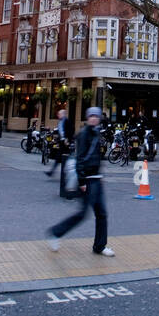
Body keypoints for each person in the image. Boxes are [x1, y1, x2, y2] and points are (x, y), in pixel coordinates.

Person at [48, 106, 113, 256]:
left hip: (96, 179)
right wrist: (82, 181)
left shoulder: (96, 133)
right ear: (87, 117)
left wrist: (100, 176)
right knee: (83, 214)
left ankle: (100, 246)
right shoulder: (84, 134)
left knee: (102, 213)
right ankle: (56, 233)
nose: (94, 118)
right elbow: (80, 159)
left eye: (96, 116)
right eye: (91, 116)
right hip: (88, 181)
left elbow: (96, 158)